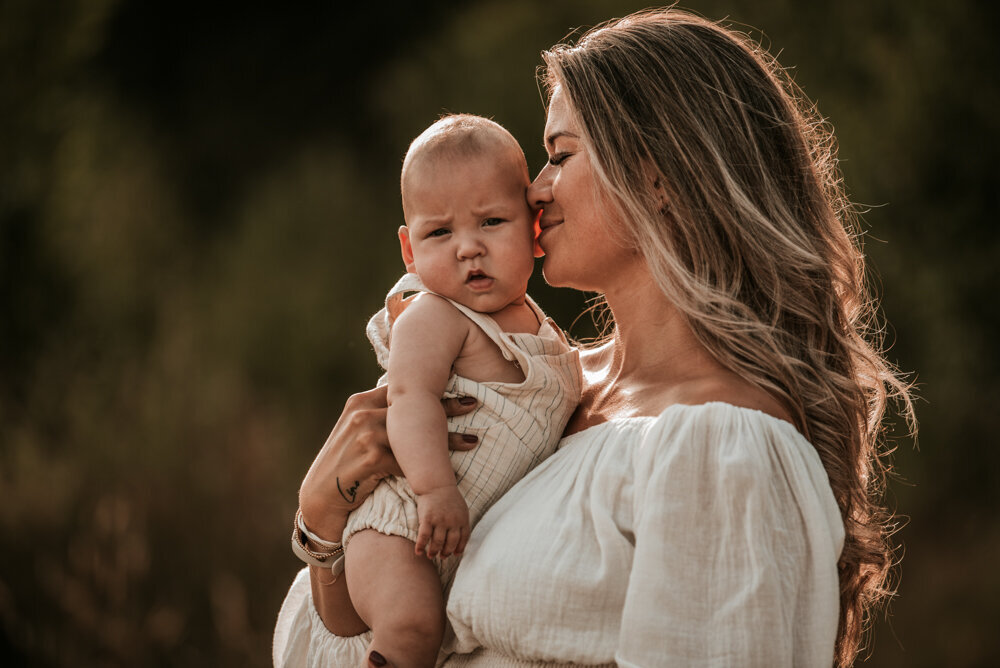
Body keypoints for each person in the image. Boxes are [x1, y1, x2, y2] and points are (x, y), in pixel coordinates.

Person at [275, 7, 915, 667]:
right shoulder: (528, 392)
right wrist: (322, 524)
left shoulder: (722, 448)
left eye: (560, 155)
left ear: (658, 176)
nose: (535, 188)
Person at [284, 114, 580, 667]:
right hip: (399, 523)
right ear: (410, 252)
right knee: (413, 627)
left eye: (491, 222)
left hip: (453, 543)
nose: (467, 248)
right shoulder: (434, 316)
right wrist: (434, 490)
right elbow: (411, 399)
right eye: (440, 232)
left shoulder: (542, 331)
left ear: (533, 228)